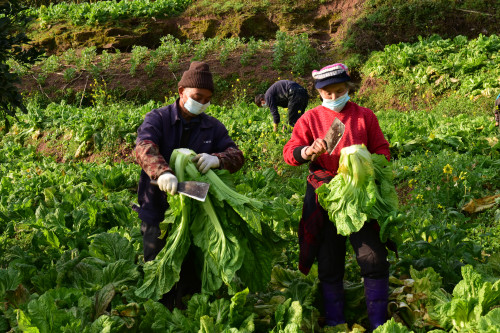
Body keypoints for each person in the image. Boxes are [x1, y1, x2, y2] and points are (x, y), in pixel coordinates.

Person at [283, 63, 391, 330]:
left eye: (339, 91)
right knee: (329, 259)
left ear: (348, 89)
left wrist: (366, 163)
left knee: (372, 256)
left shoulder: (364, 116)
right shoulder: (309, 118)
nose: (333, 97)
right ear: (318, 92)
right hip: (326, 196)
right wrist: (307, 152)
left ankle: (379, 323)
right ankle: (335, 321)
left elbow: (382, 150)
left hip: (359, 194)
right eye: (326, 93)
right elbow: (290, 152)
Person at [134, 61, 244, 309]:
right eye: (197, 97)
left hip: (197, 212)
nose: (202, 103)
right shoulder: (158, 118)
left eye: (207, 99)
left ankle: (187, 315)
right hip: (158, 209)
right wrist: (162, 172)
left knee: (191, 272)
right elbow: (143, 147)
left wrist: (218, 159)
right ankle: (161, 314)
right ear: (181, 90)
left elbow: (236, 155)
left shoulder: (212, 126)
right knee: (159, 267)